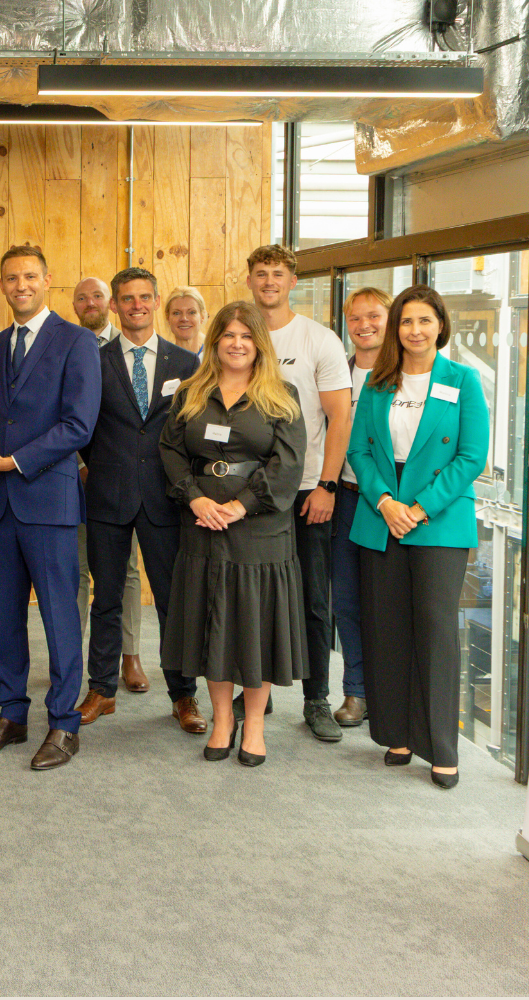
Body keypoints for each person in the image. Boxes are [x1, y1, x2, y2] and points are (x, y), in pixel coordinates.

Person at [0, 246, 99, 769]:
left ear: (47, 280)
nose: (21, 285)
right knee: (4, 616)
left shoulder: (77, 342)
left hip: (48, 502)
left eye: (30, 276)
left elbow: (79, 426)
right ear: (2, 285)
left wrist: (11, 461)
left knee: (60, 618)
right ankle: (11, 714)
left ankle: (63, 724)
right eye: (11, 278)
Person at [347, 285, 487, 790]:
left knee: (434, 630)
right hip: (382, 516)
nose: (415, 330)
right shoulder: (377, 382)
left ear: (440, 326)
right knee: (385, 627)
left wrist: (420, 507)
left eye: (425, 321)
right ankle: (398, 735)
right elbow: (359, 451)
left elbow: (472, 457)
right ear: (396, 329)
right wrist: (386, 502)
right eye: (407, 322)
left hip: (439, 520)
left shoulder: (463, 381)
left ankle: (441, 747)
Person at [159, 301, 306, 768]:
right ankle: (223, 720)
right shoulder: (190, 393)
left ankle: (255, 725)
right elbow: (171, 451)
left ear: (258, 343)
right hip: (203, 526)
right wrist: (196, 498)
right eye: (228, 336)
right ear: (215, 341)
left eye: (246, 336)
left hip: (260, 531)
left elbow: (287, 464)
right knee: (212, 626)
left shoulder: (283, 396)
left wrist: (240, 505)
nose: (237, 344)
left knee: (254, 631)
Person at [77, 267, 206, 734]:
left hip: (166, 498)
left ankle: (183, 695)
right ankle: (101, 690)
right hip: (107, 494)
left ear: (155, 303)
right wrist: (99, 468)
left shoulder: (186, 363)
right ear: (114, 305)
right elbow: (84, 427)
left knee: (174, 601)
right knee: (106, 598)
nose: (136, 305)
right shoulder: (92, 357)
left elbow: (192, 433)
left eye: (144, 297)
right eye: (127, 298)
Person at [245, 244, 351, 742]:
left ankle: (316, 700)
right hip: (249, 491)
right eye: (261, 273)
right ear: (249, 280)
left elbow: (339, 417)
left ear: (292, 281)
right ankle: (254, 696)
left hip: (307, 487)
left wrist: (328, 484)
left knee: (312, 598)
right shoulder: (237, 335)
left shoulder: (318, 339)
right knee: (254, 595)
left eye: (278, 273)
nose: (270, 281)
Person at [72, 275, 146, 692]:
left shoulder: (132, 348)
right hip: (78, 477)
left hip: (128, 481)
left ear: (110, 303)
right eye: (80, 298)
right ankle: (76, 654)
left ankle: (130, 655)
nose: (89, 303)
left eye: (96, 296)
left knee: (127, 571)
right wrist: (81, 463)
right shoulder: (69, 345)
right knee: (78, 569)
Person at [332, 287, 392, 728]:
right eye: (355, 318)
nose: (364, 325)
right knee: (347, 600)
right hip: (344, 499)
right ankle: (356, 691)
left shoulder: (404, 375)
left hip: (391, 506)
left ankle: (389, 693)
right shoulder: (338, 371)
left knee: (386, 602)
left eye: (374, 316)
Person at [164, 286, 208, 356]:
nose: (184, 319)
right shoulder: (161, 358)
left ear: (202, 316)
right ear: (168, 317)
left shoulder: (215, 358)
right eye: (176, 313)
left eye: (192, 312)